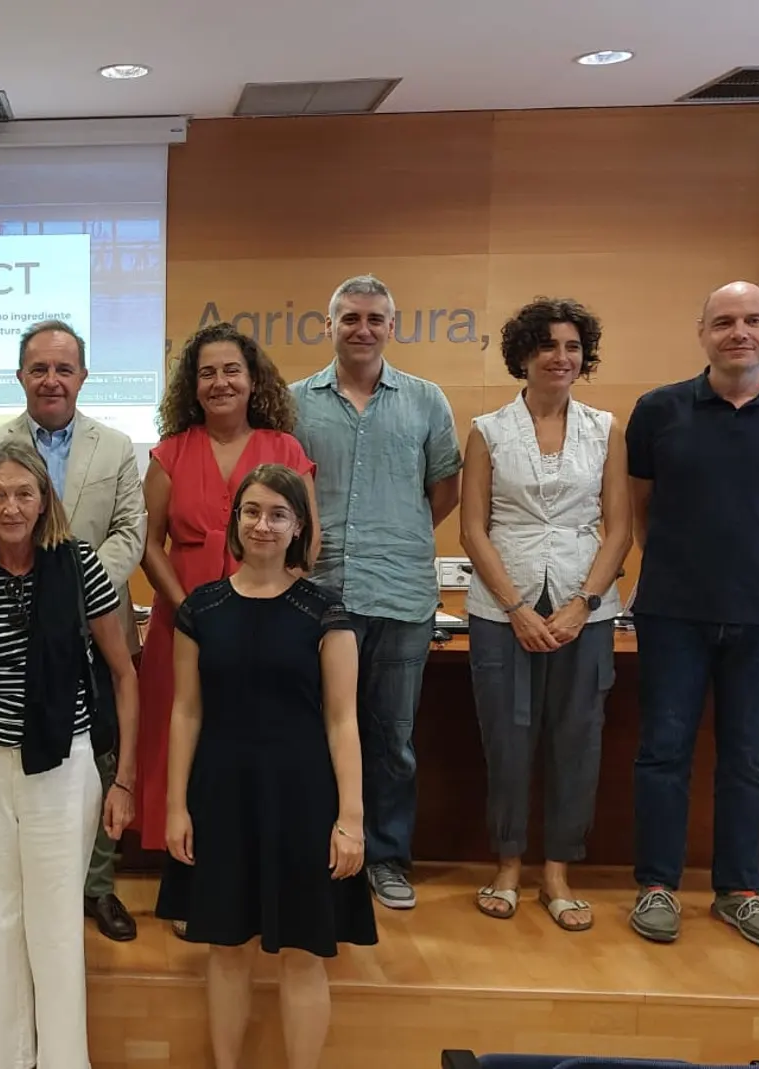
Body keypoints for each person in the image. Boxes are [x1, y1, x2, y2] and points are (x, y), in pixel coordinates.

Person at [625, 281, 759, 952]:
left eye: (751, 319)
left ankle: (739, 892)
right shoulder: (658, 410)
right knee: (663, 752)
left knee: (748, 758)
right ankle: (657, 885)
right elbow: (640, 508)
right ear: (703, 332)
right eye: (723, 321)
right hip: (672, 612)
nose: (737, 331)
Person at [0, 441, 139, 1069]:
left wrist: (123, 780)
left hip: (63, 766)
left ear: (45, 500)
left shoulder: (80, 566)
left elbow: (124, 674)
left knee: (55, 925)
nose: (10, 507)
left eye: (23, 493)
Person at [156, 464, 374, 1069]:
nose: (263, 524)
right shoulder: (202, 608)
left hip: (303, 799)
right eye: (251, 511)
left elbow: (343, 721)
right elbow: (185, 713)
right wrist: (176, 807)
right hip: (222, 795)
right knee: (225, 949)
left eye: (279, 514)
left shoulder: (325, 612)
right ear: (235, 521)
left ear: (299, 527)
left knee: (304, 953)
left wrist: (351, 819)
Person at [0, 319, 147, 942]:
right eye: (38, 368)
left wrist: (76, 589)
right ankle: (30, 885)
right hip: (11, 632)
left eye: (63, 369)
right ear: (20, 376)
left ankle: (95, 886)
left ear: (83, 377)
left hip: (96, 627)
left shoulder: (118, 446)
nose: (51, 380)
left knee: (95, 750)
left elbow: (130, 532)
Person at [289, 275, 462, 912]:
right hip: (315, 595)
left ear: (392, 327)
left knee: (391, 738)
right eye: (350, 318)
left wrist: (400, 532)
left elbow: (443, 489)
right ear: (328, 324)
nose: (363, 329)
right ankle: (320, 848)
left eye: (375, 319)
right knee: (314, 732)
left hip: (401, 596)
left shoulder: (425, 400)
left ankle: (385, 856)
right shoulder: (293, 402)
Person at [460, 298, 631, 933]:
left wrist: (583, 603)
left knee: (576, 739)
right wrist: (513, 607)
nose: (562, 358)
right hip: (500, 607)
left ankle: (558, 869)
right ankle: (507, 864)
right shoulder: (487, 429)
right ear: (524, 356)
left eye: (572, 347)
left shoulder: (606, 427)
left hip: (585, 608)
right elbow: (473, 530)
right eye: (548, 346)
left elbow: (619, 530)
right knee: (507, 737)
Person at [137, 322, 316, 858]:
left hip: (266, 620)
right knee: (179, 740)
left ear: (253, 380)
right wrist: (189, 609)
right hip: (184, 619)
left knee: (249, 736)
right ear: (191, 386)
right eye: (207, 372)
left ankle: (246, 862)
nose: (220, 382)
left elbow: (307, 541)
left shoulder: (284, 447)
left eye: (232, 370)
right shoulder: (169, 453)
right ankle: (186, 868)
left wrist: (274, 611)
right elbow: (148, 542)